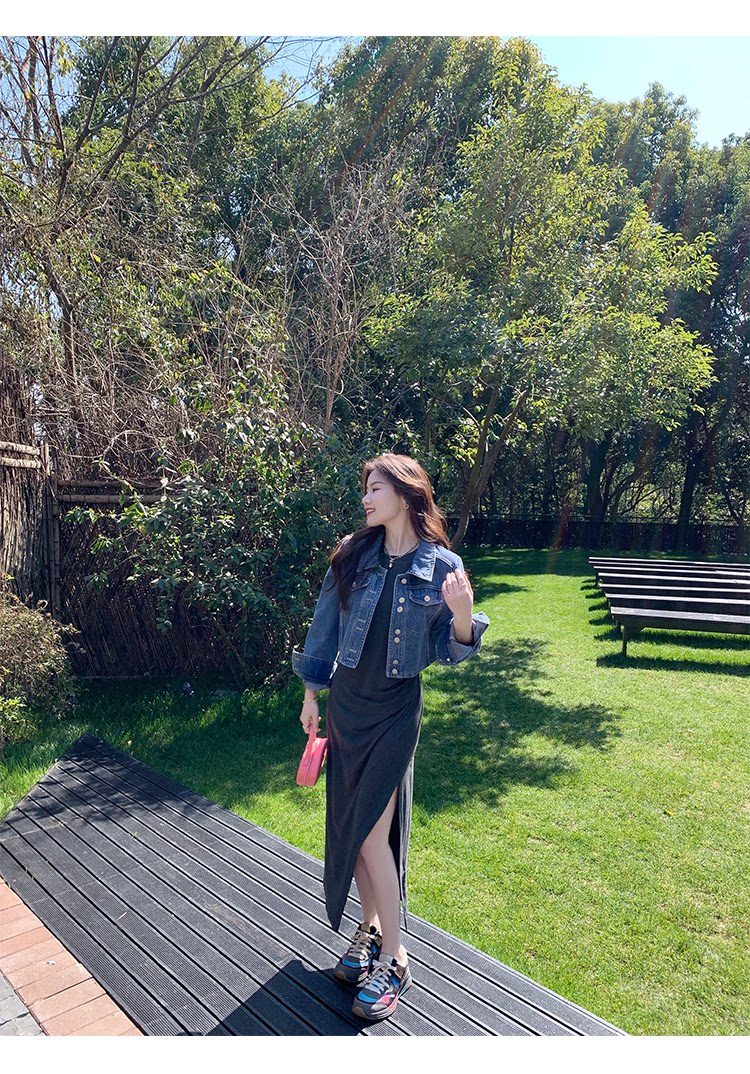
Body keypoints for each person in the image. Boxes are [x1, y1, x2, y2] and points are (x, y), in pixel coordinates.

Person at [291, 453, 489, 1022]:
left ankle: (396, 959)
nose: (366, 498)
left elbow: (453, 649)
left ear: (405, 494)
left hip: (395, 711)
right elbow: (324, 628)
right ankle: (370, 929)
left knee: (373, 835)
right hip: (348, 709)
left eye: (375, 488)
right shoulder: (353, 556)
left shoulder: (442, 565)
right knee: (354, 833)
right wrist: (311, 694)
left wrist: (462, 613)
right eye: (366, 489)